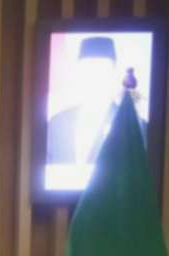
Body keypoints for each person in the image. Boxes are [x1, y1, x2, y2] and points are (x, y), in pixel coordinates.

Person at [46, 36, 125, 165]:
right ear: (78, 74)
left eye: (102, 71)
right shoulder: (56, 123)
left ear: (114, 75)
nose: (94, 79)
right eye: (88, 70)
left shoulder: (134, 126)